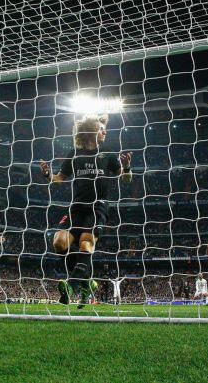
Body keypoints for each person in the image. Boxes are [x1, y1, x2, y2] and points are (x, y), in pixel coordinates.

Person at [40, 114, 132, 307]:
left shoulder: (107, 154)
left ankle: (72, 286)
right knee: (58, 242)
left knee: (85, 244)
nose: (104, 131)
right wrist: (48, 175)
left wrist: (127, 167)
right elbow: (59, 179)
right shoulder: (75, 154)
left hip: (97, 207)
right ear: (90, 132)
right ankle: (86, 283)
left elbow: (125, 179)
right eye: (100, 129)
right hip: (76, 208)